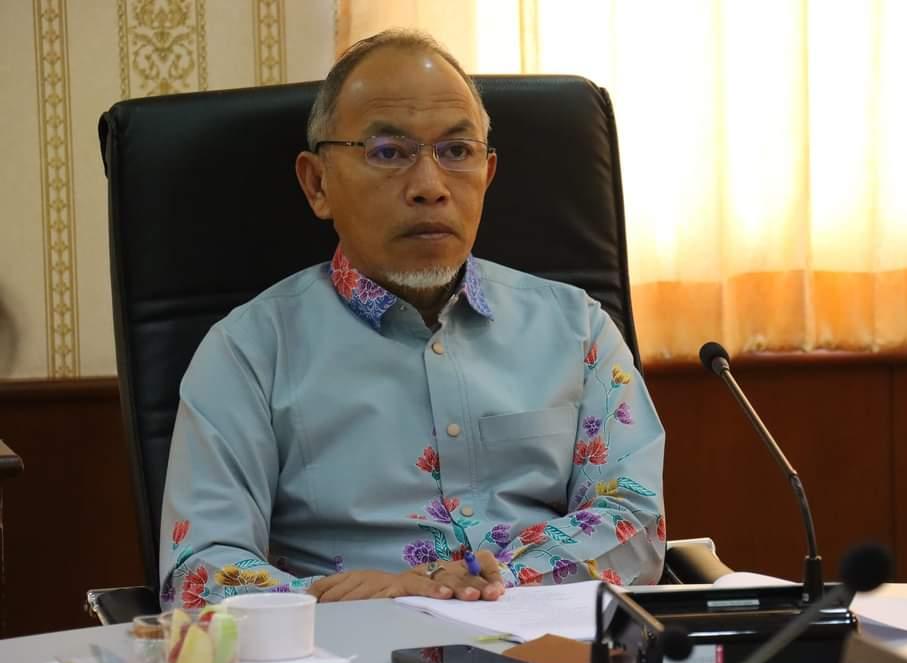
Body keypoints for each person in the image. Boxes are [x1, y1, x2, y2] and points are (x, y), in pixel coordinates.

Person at [158, 29, 666, 610]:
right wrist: (352, 600)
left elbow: (632, 518)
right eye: (387, 152)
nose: (430, 187)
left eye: (457, 151)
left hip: (552, 640)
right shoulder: (247, 351)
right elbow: (198, 572)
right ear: (318, 184)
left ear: (487, 175)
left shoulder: (578, 330)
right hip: (349, 650)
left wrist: (484, 584)